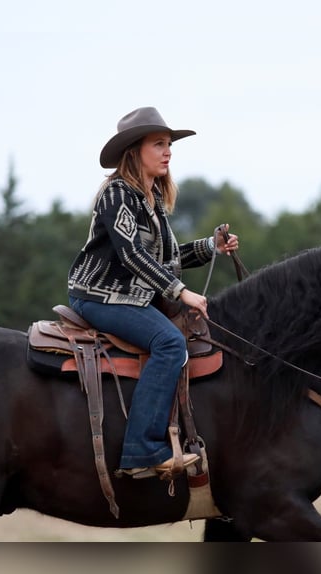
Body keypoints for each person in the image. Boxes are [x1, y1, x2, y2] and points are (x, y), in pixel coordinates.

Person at [67, 106, 239, 478]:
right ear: (135, 150)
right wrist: (181, 293)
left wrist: (212, 246)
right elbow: (132, 254)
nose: (168, 151)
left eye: (169, 145)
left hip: (133, 297)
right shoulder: (117, 195)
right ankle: (141, 451)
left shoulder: (152, 200)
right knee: (170, 344)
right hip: (100, 295)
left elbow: (168, 259)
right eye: (159, 144)